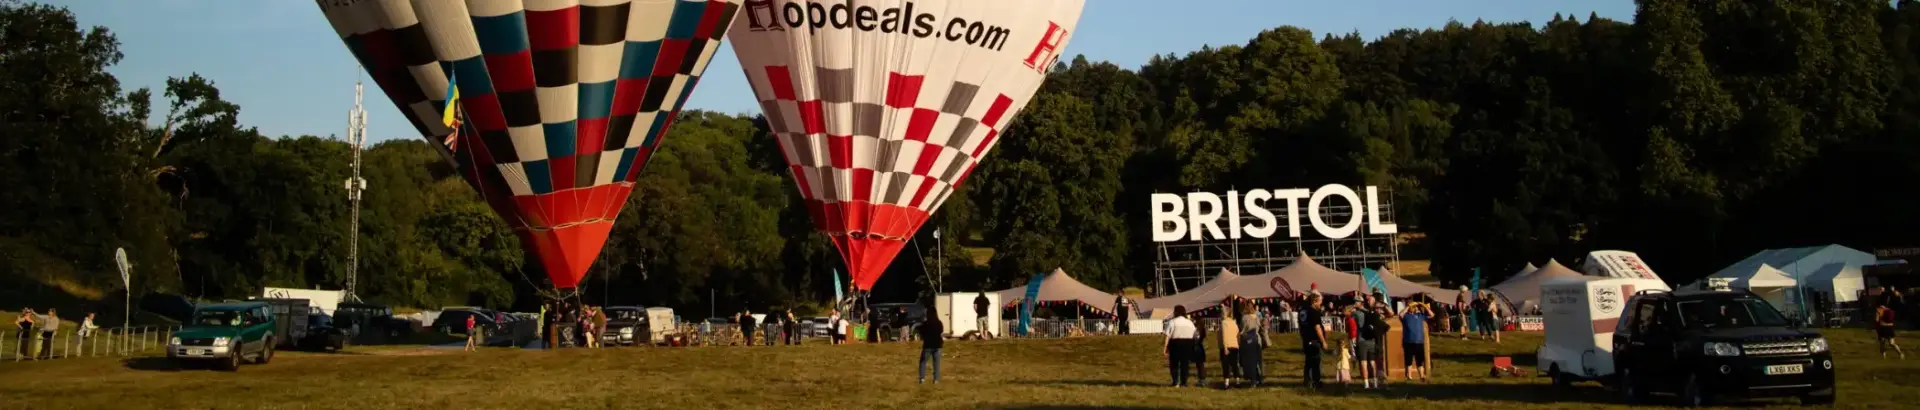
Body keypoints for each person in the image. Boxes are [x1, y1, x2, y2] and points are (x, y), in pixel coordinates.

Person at [1163, 305, 1197, 387]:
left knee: (1174, 363)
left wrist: (1165, 348)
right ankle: (1184, 382)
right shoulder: (1189, 322)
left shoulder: (1172, 322)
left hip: (1175, 343)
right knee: (1185, 364)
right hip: (1188, 344)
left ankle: (1175, 382)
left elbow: (1167, 335)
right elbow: (1195, 335)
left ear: (1176, 312)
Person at [1352, 296, 1382, 389]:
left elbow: (1347, 314)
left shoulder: (1356, 313)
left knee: (1363, 362)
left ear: (1360, 303)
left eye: (1356, 302)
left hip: (1361, 340)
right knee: (1372, 362)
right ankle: (1375, 383)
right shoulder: (1370, 313)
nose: (1354, 303)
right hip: (1372, 340)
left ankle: (1366, 384)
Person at [1300, 294, 1327, 388]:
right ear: (1314, 301)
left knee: (1308, 362)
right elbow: (1317, 327)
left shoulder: (1303, 311)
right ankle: (1316, 381)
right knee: (1315, 361)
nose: (1321, 303)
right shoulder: (1314, 312)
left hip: (1306, 339)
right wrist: (1323, 341)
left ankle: (1307, 381)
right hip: (1314, 340)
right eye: (1320, 301)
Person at [1401, 302, 1431, 381]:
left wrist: (1423, 305)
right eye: (1413, 307)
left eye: (1415, 307)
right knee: (1408, 360)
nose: (1415, 308)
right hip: (1408, 341)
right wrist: (1408, 306)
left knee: (1419, 360)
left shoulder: (1420, 316)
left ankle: (1421, 376)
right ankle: (1409, 376)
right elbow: (1400, 314)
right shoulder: (1406, 316)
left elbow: (1432, 315)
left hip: (1419, 341)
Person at [1239, 302, 1268, 385]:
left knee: (1250, 361)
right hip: (1257, 340)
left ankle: (1253, 379)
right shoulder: (1257, 316)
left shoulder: (1244, 317)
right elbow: (1260, 327)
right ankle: (1260, 377)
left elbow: (1243, 328)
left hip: (1248, 341)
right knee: (1258, 360)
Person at [917, 303, 945, 384]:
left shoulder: (926, 323)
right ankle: (936, 379)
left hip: (928, 345)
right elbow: (941, 331)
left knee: (923, 362)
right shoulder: (939, 323)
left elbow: (921, 331)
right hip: (938, 345)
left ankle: (922, 378)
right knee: (936, 363)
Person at [1217, 310, 1242, 388]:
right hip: (1235, 346)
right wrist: (1238, 344)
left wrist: (1225, 347)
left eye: (1222, 313)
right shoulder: (1234, 322)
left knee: (1226, 365)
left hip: (1226, 347)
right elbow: (1238, 334)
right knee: (1235, 364)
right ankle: (1237, 381)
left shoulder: (1224, 323)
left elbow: (1224, 335)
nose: (1221, 315)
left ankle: (1226, 383)